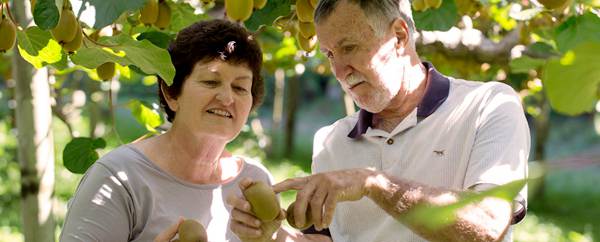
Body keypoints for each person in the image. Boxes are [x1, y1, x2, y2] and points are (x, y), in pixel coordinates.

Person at [228, 0, 529, 242]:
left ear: (399, 37)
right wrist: (275, 236)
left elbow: (489, 225)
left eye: (349, 47)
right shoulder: (331, 141)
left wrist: (374, 183)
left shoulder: (489, 105)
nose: (339, 70)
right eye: (330, 54)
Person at [60, 19, 281, 242]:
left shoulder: (255, 182)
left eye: (240, 87)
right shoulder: (117, 179)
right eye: (211, 82)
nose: (227, 98)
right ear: (172, 93)